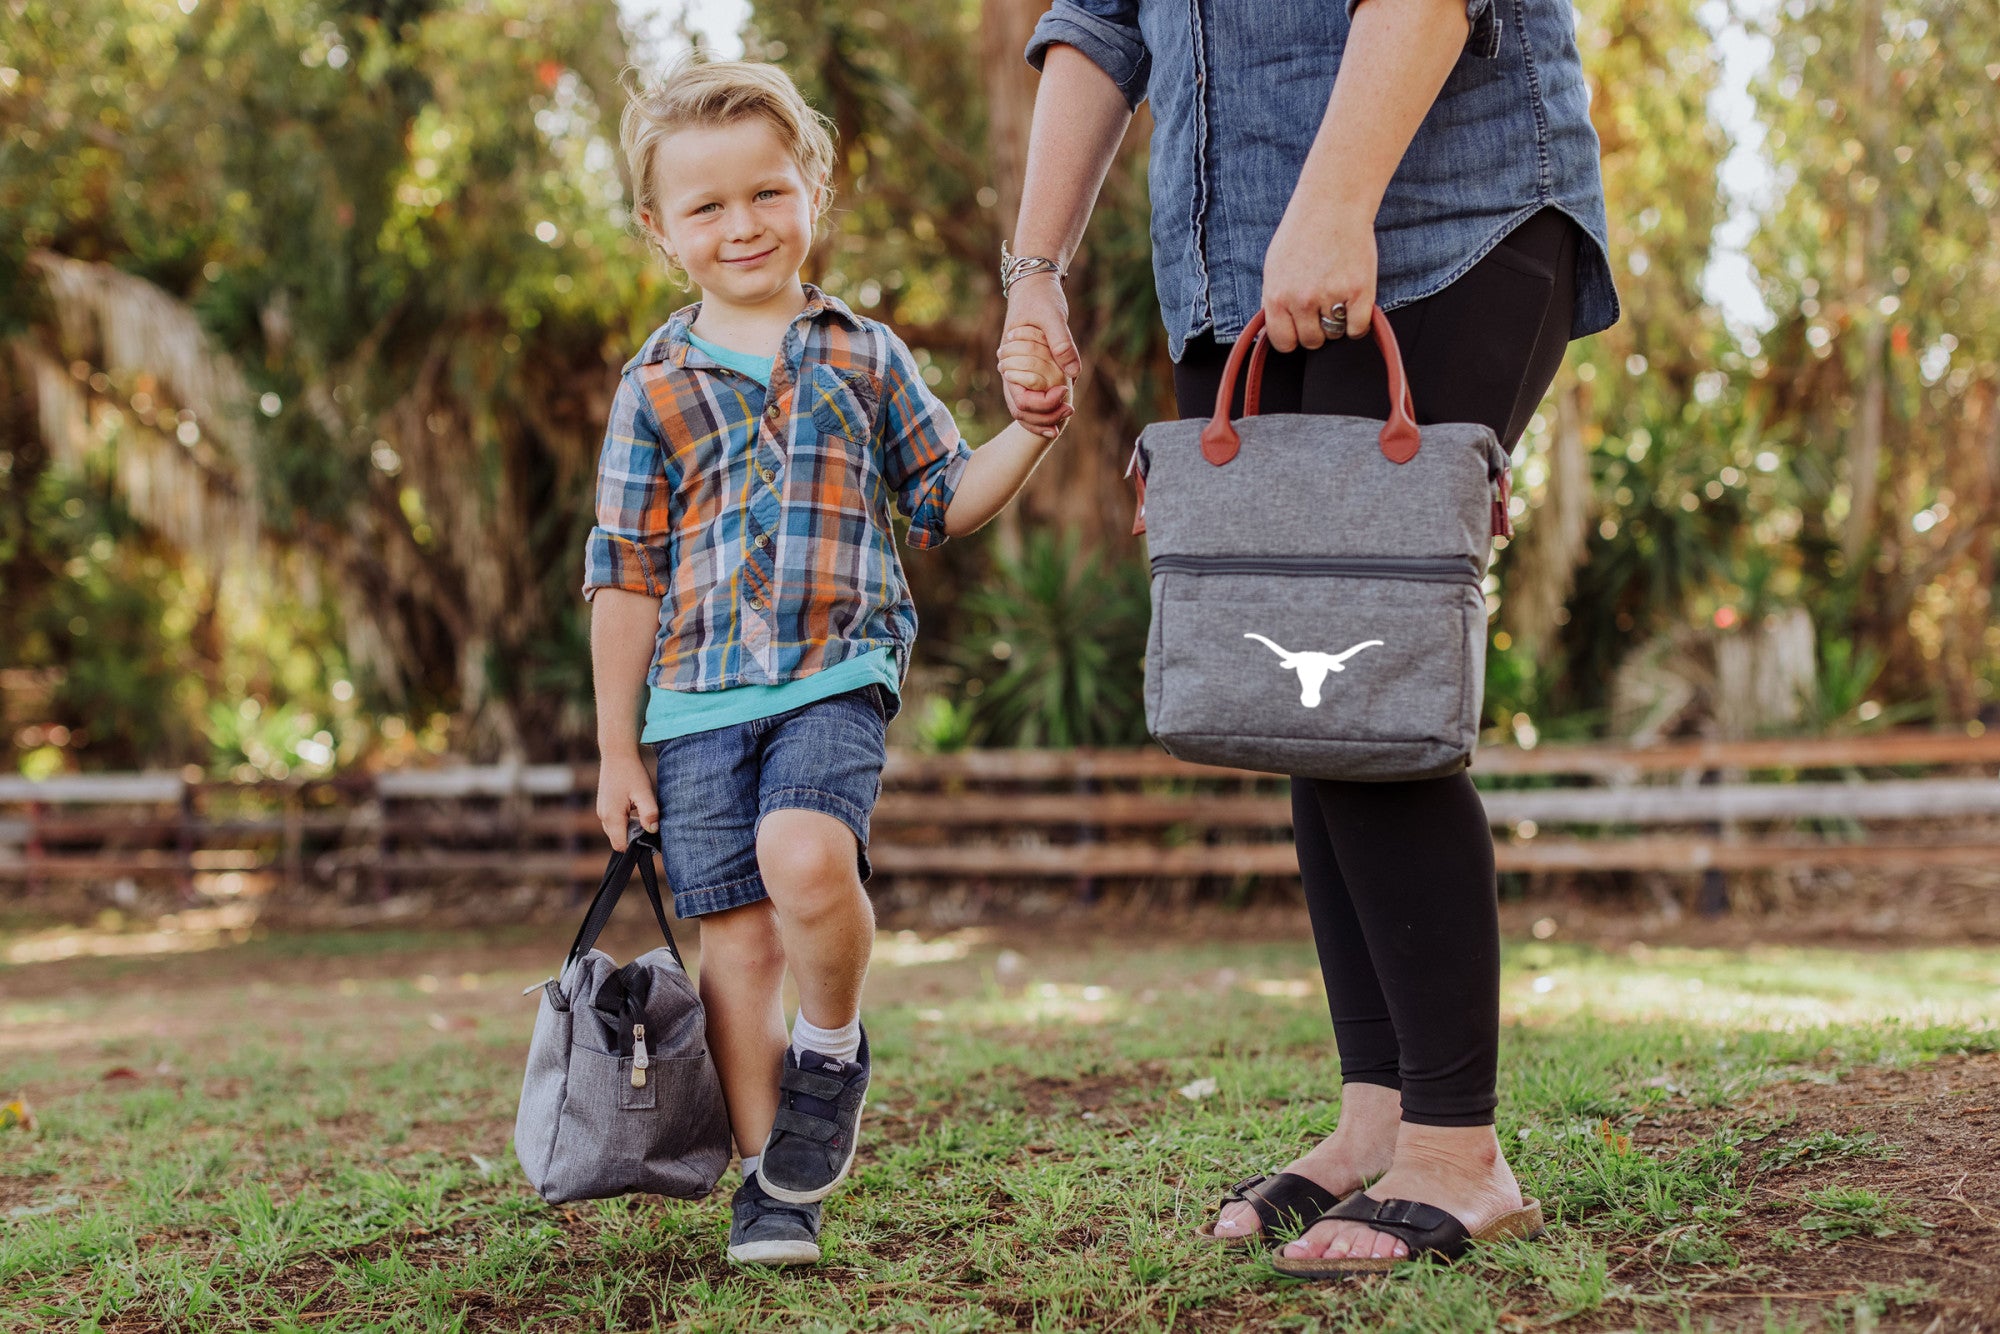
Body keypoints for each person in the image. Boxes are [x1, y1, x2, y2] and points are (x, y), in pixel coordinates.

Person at [998, 0, 1619, 1276]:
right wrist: (1035, 267)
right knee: (1303, 692)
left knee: (1365, 687)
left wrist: (1338, 199)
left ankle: (1457, 1152)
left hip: (1438, 216)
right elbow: (1100, 22)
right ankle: (1377, 1116)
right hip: (1228, 266)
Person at [586, 55, 1064, 1267]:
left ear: (811, 191)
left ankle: (834, 1044)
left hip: (833, 670)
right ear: (659, 228)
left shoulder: (863, 354)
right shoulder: (652, 385)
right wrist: (612, 747)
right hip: (694, 700)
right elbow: (626, 570)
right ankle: (771, 1188)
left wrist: (1033, 431)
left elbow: (944, 498)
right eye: (706, 206)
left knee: (804, 856)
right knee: (734, 944)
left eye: (765, 192)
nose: (741, 224)